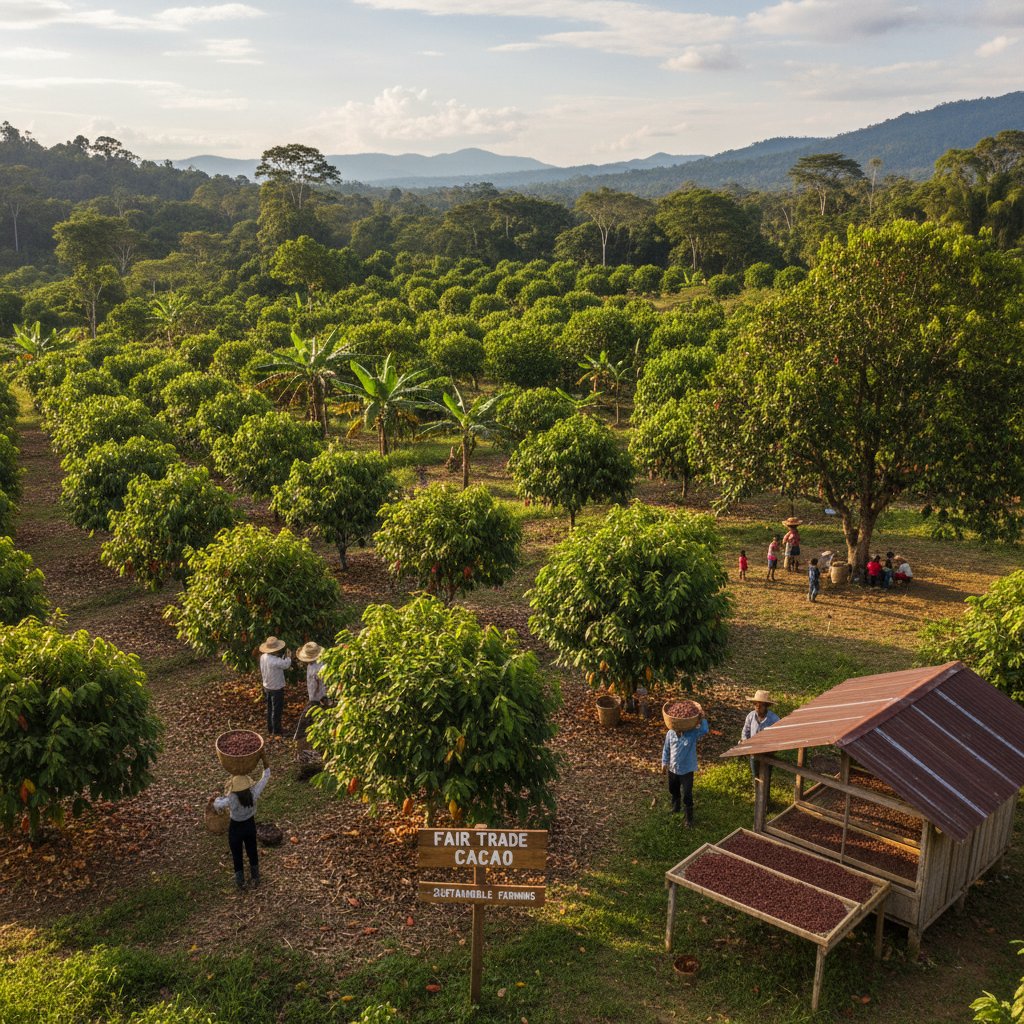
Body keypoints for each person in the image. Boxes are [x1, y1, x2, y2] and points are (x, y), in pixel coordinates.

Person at [209, 755, 270, 891]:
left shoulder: (231, 798)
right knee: (252, 850)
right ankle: (255, 877)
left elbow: (218, 805)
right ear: (247, 785)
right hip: (250, 825)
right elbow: (265, 778)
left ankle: (240, 881)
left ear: (234, 788)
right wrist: (264, 761)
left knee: (237, 853)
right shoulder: (253, 793)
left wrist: (216, 799)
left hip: (236, 828)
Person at [661, 709, 710, 827]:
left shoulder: (692, 733)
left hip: (687, 770)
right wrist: (664, 762)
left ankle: (689, 818)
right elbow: (666, 749)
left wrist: (702, 718)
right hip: (673, 769)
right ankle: (676, 806)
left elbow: (704, 729)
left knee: (687, 793)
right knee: (673, 789)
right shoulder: (670, 733)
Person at [741, 690, 780, 787]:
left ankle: (765, 797)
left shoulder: (774, 719)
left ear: (766, 706)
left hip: (768, 753)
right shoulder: (750, 716)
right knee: (756, 775)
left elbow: (778, 737)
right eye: (755, 704)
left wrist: (772, 749)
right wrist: (745, 743)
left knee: (766, 776)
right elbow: (745, 732)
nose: (757, 707)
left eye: (761, 705)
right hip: (753, 752)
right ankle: (757, 793)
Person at [259, 636, 291, 737]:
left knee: (269, 708)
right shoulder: (275, 661)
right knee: (276, 710)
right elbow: (286, 665)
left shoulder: (263, 657)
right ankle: (276, 731)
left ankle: (270, 728)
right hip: (276, 688)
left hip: (267, 686)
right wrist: (289, 656)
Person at [296, 641, 326, 705]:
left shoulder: (314, 669)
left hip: (318, 697)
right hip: (322, 694)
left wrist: (312, 699)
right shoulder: (319, 663)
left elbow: (313, 686)